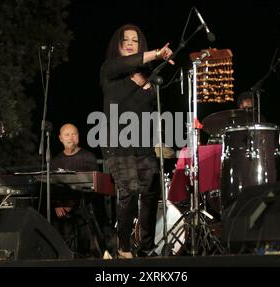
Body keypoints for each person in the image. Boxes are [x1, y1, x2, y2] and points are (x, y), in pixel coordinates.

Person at [99, 23, 174, 258]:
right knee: (129, 191)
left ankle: (146, 247)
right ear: (118, 45)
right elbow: (126, 65)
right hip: (117, 143)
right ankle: (123, 248)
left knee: (151, 194)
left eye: (135, 40)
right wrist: (157, 53)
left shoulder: (149, 79)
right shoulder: (109, 70)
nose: (131, 43)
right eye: (126, 40)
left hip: (143, 143)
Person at [50, 123, 109, 258]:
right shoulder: (55, 162)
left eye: (74, 134)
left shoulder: (88, 158)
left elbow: (94, 188)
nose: (71, 138)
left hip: (83, 206)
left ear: (79, 137)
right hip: (61, 209)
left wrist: (71, 204)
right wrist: (58, 204)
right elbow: (52, 188)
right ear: (60, 138)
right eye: (67, 135)